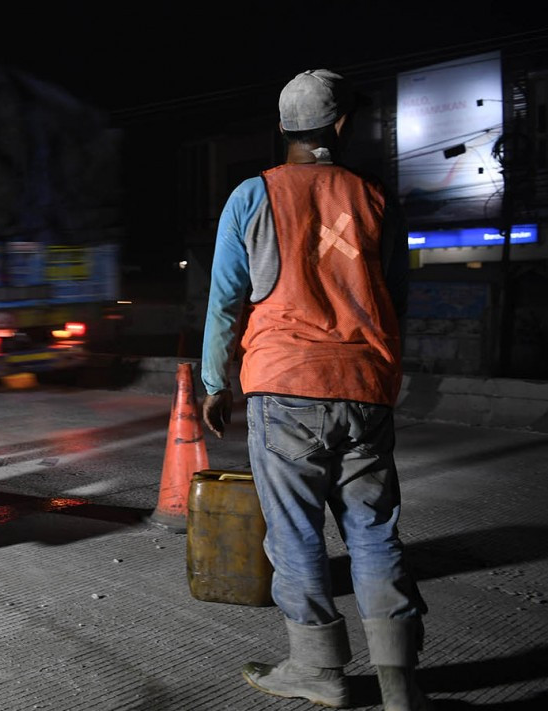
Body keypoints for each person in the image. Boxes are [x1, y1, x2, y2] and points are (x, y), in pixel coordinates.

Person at [199, 69, 431, 711]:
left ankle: (318, 671)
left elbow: (225, 301)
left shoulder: (252, 196)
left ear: (282, 128)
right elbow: (396, 299)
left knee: (295, 534)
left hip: (284, 387)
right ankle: (401, 687)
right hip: (364, 387)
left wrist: (216, 383)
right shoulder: (377, 197)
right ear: (342, 125)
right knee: (374, 531)